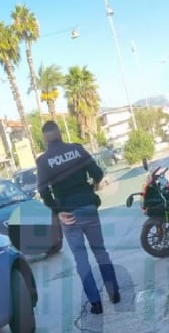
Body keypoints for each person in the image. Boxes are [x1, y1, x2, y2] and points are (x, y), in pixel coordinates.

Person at [36, 121, 119, 315]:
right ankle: (114, 293)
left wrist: (57, 211)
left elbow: (43, 190)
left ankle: (95, 304)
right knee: (101, 251)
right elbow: (98, 174)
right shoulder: (77, 149)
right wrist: (90, 188)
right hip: (88, 206)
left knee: (81, 259)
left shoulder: (44, 161)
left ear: (45, 138)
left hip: (68, 213)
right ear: (60, 133)